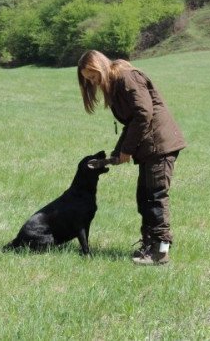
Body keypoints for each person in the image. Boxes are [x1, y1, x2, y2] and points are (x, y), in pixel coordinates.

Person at [77, 50, 186, 265]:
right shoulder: (116, 83)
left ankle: (160, 252)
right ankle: (149, 245)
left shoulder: (127, 77)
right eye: (88, 79)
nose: (93, 81)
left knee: (155, 197)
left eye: (93, 74)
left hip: (160, 144)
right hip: (150, 146)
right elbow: (132, 122)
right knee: (144, 197)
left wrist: (127, 150)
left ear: (101, 65)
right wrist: (118, 152)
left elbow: (143, 113)